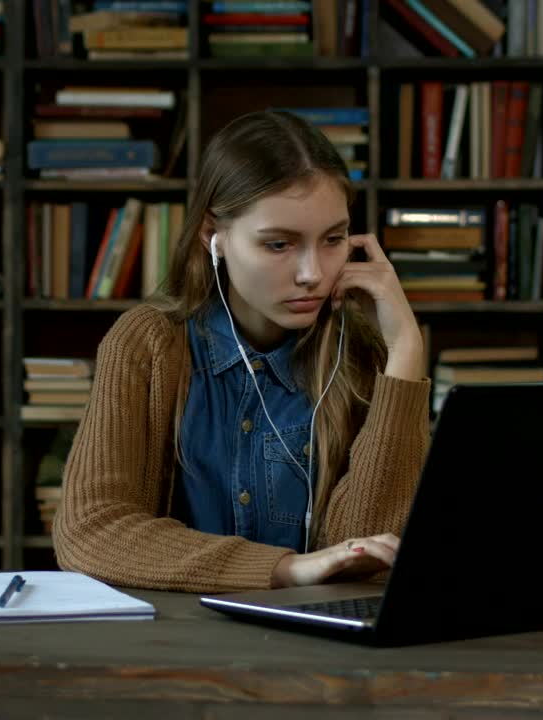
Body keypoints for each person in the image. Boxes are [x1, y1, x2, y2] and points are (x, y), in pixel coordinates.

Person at [52, 110, 431, 593]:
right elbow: (89, 531)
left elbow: (369, 554)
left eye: (334, 239)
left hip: (317, 647)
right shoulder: (147, 345)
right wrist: (285, 569)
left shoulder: (359, 356)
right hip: (174, 644)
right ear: (215, 237)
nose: (312, 273)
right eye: (279, 244)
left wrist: (404, 351)